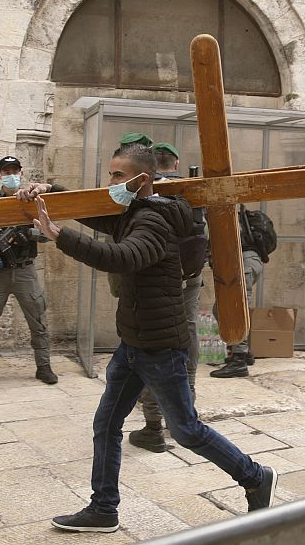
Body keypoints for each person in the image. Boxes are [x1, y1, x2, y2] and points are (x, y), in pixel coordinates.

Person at [31, 144, 277, 533]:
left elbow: (123, 257)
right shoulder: (135, 211)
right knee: (107, 423)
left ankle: (256, 477)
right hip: (134, 344)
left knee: (187, 430)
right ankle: (104, 508)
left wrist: (59, 235)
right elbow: (98, 216)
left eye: (116, 175)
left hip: (162, 346)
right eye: (109, 174)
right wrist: (54, 191)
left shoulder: (154, 222)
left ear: (141, 180)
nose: (110, 183)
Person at [127, 141, 207, 453]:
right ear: (174, 164)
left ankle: (153, 426)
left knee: (153, 344)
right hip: (190, 276)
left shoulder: (141, 193)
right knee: (187, 338)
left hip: (156, 278)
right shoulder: (190, 189)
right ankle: (187, 416)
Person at [0, 155, 63, 387]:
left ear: (21, 172)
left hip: (24, 269)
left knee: (37, 319)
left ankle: (44, 366)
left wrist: (28, 234)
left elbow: (49, 232)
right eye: (6, 171)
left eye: (15, 171)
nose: (11, 175)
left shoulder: (31, 199)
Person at [209, 206, 266, 378]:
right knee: (220, 309)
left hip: (245, 262)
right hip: (248, 261)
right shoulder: (228, 215)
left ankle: (239, 361)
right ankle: (244, 351)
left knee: (235, 310)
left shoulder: (221, 216)